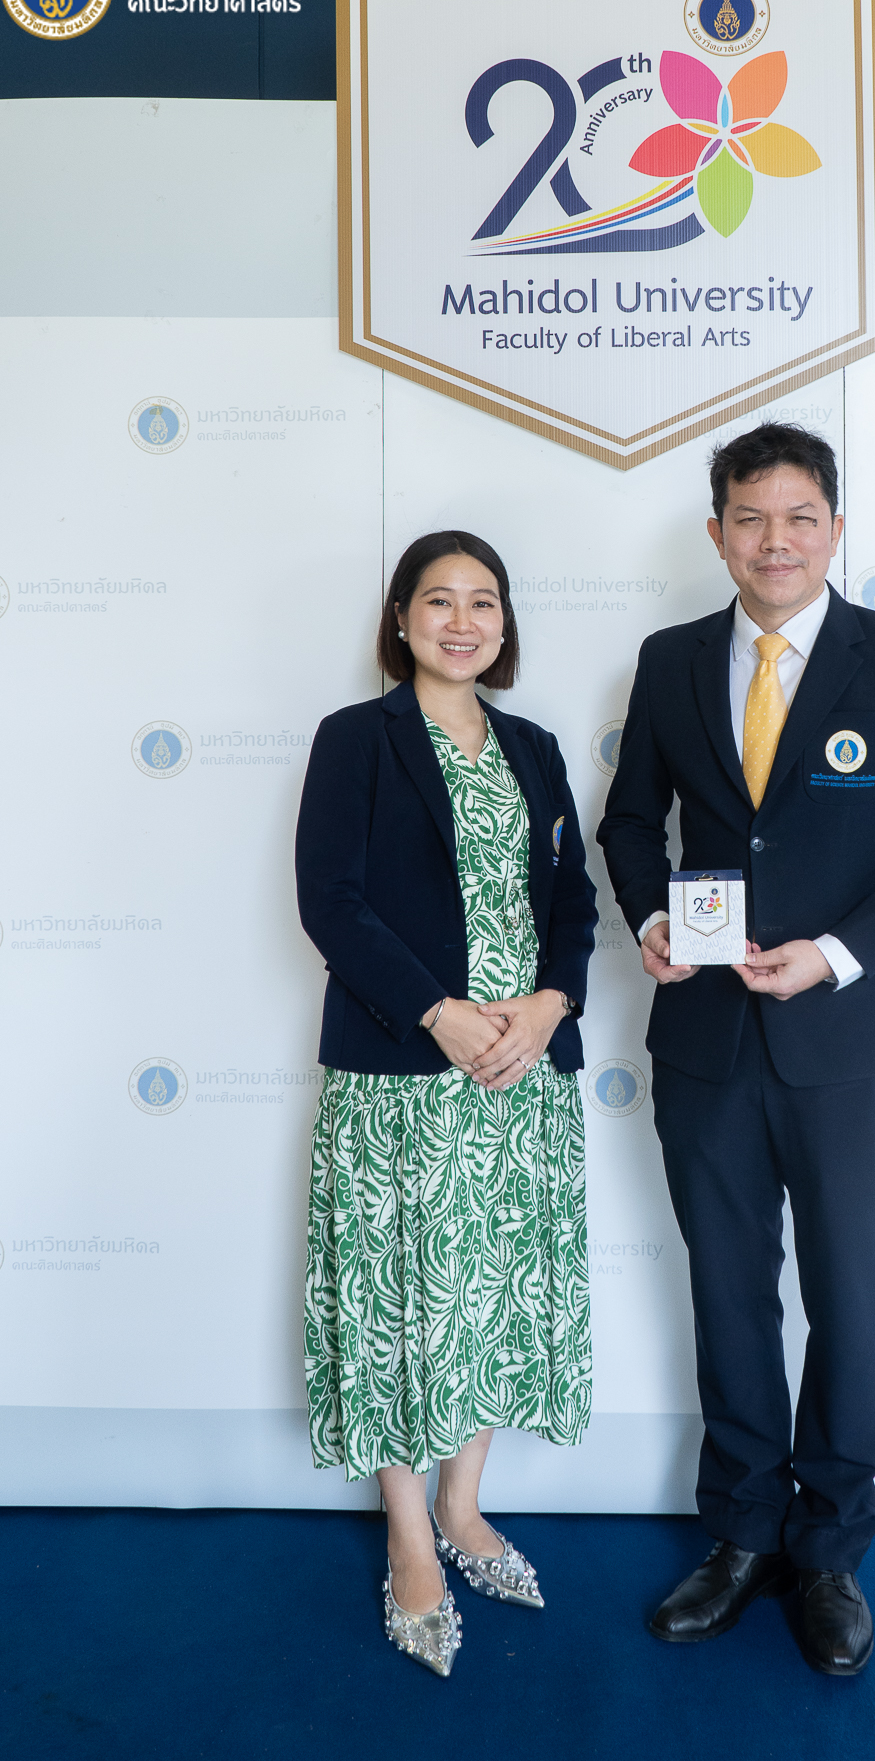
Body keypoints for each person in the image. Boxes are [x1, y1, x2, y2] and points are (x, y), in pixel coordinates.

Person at [597, 422, 875, 1675]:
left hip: (849, 1037)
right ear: (717, 533)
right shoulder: (668, 660)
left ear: (835, 529)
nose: (776, 541)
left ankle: (827, 1549)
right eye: (751, 519)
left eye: (799, 517)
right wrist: (652, 918)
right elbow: (628, 823)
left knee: (848, 1291)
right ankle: (741, 1533)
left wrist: (836, 952)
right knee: (726, 1286)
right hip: (706, 1036)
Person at [296, 530, 597, 1678]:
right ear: (400, 617)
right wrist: (439, 1013)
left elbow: (573, 900)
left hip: (520, 1075)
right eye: (438, 600)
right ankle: (409, 1536)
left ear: (504, 623)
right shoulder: (356, 740)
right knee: (400, 1298)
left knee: (489, 1295)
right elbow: (331, 902)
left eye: (483, 602)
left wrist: (551, 1003)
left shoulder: (534, 747)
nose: (461, 621)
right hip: (405, 1074)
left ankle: (463, 1506)